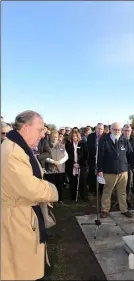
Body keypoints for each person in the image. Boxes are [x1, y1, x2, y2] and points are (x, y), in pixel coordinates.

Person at [1, 110, 58, 280]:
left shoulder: (17, 147)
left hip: (22, 214)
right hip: (17, 218)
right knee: (19, 270)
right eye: (40, 129)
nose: (43, 134)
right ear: (26, 127)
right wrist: (52, 189)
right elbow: (30, 188)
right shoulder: (12, 152)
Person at [97, 122, 133, 218]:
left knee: (122, 192)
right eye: (115, 129)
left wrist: (132, 166)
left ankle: (124, 209)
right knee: (107, 191)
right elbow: (100, 157)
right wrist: (99, 170)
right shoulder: (104, 140)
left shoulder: (124, 139)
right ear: (110, 129)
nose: (117, 131)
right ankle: (105, 210)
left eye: (118, 129)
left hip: (123, 171)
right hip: (109, 171)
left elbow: (130, 154)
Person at [45, 130, 68, 203]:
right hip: (50, 169)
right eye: (53, 137)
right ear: (50, 137)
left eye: (56, 137)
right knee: (50, 185)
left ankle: (59, 199)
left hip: (60, 169)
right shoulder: (46, 146)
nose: (54, 138)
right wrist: (53, 162)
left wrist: (59, 162)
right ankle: (51, 199)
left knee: (59, 185)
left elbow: (66, 156)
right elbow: (44, 157)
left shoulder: (61, 146)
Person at [67, 130, 89, 201]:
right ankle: (73, 197)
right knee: (73, 182)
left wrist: (79, 163)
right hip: (72, 165)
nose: (74, 137)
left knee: (82, 182)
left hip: (81, 166)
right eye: (73, 136)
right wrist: (73, 163)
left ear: (78, 136)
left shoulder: (83, 143)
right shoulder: (68, 144)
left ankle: (84, 197)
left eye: (76, 136)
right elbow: (68, 155)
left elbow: (86, 155)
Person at [122, 124, 134, 208]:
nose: (127, 132)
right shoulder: (120, 139)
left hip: (130, 165)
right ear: (122, 131)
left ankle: (127, 199)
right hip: (121, 166)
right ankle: (120, 200)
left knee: (128, 184)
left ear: (131, 131)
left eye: (129, 131)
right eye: (125, 130)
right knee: (121, 184)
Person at [87, 123, 105, 194]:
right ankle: (93, 190)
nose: (99, 130)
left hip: (102, 160)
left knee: (101, 175)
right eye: (98, 128)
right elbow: (88, 146)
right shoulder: (91, 136)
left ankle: (101, 191)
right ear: (96, 129)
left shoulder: (106, 137)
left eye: (101, 129)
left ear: (103, 130)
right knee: (92, 174)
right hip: (92, 159)